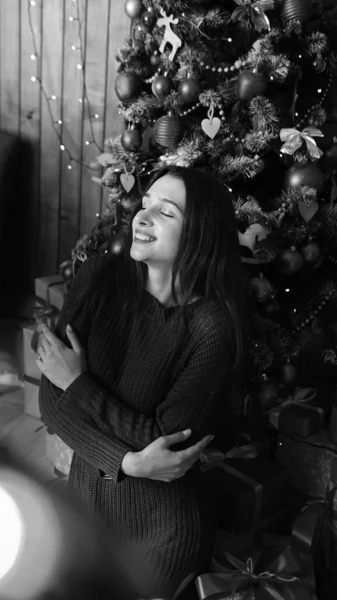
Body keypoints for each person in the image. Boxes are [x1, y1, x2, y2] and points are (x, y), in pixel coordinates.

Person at [37, 166, 244, 598]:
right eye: (145, 203)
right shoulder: (96, 277)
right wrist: (128, 463)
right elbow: (51, 404)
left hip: (160, 536)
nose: (142, 217)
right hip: (83, 510)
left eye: (165, 213)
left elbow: (162, 441)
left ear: (200, 235)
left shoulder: (210, 326)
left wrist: (78, 384)